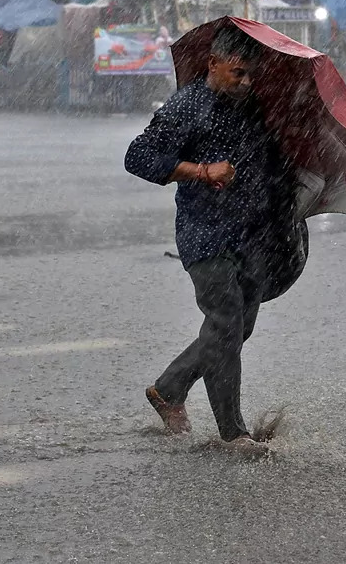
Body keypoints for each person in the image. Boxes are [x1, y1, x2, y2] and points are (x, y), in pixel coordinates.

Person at [125, 26, 296, 457]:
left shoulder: (252, 106)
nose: (245, 82)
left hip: (252, 235)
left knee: (240, 328)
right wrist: (201, 170)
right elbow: (138, 157)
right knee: (224, 325)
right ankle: (233, 433)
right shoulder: (187, 107)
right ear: (212, 64)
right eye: (237, 73)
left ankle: (169, 388)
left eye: (250, 75)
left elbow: (270, 163)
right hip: (206, 236)